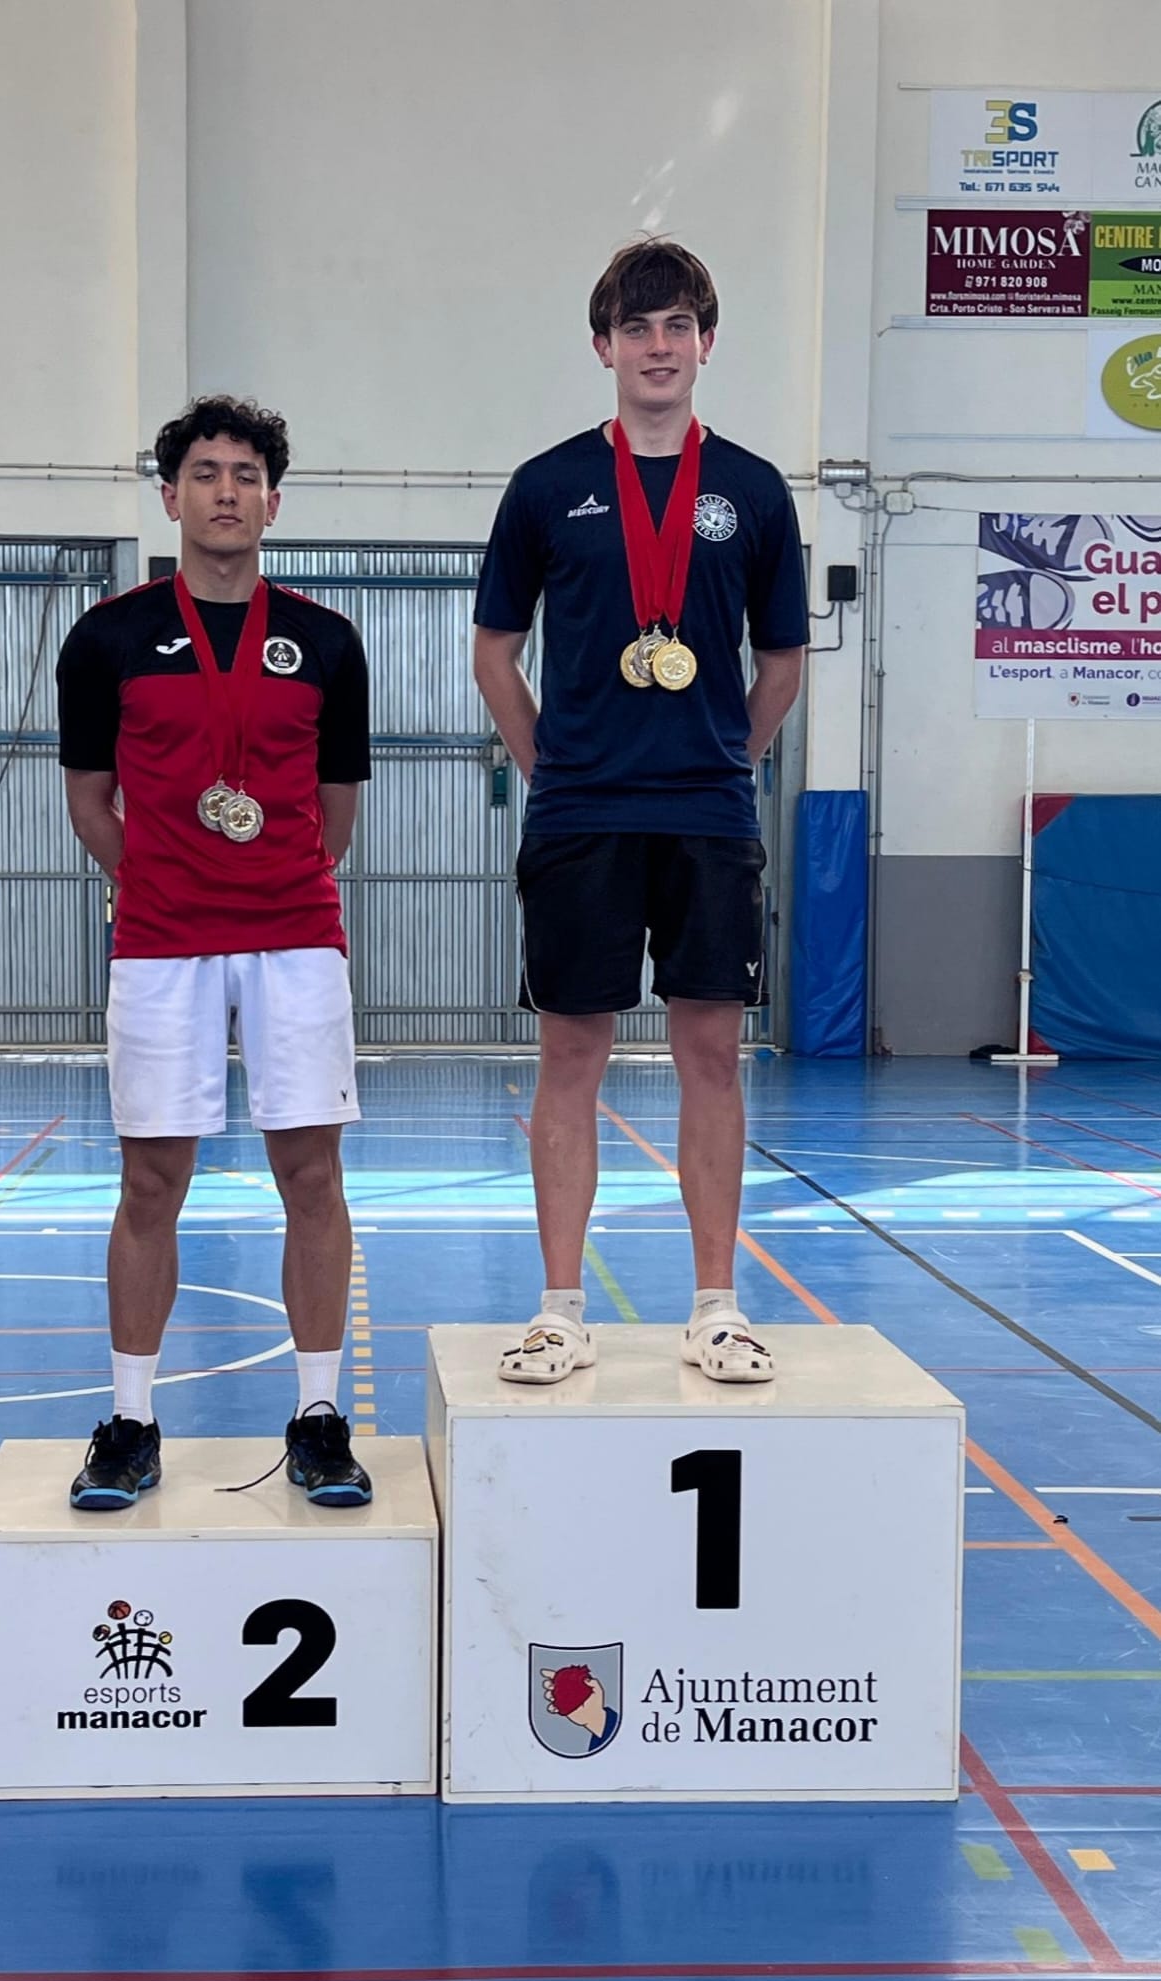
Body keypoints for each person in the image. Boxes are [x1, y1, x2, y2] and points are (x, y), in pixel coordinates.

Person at [473, 239, 808, 1386]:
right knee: (571, 1051)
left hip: (707, 815)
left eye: (677, 327)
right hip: (583, 813)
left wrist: (723, 761)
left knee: (711, 1052)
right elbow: (495, 650)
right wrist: (550, 768)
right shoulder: (546, 486)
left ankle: (716, 1306)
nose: (657, 347)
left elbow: (782, 662)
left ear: (707, 343)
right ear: (602, 346)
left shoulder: (753, 491)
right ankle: (560, 1308)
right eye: (636, 328)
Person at [56, 394, 373, 1507]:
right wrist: (159, 881)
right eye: (205, 472)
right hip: (161, 944)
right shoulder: (107, 637)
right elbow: (90, 800)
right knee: (151, 1179)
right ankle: (131, 1421)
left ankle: (319, 1416)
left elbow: (337, 812)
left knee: (312, 1174)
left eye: (246, 474)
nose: (226, 491)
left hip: (295, 938)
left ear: (273, 502)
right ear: (170, 496)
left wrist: (268, 876)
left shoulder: (327, 642)